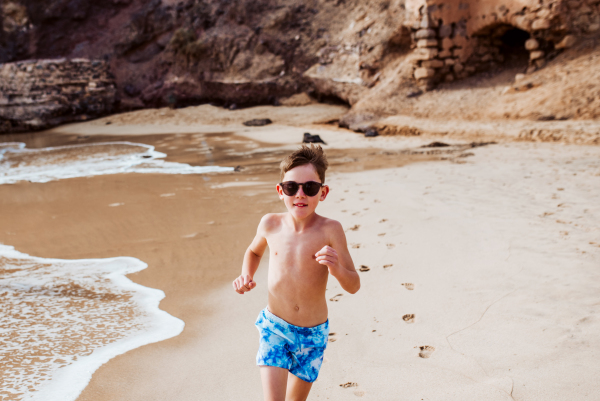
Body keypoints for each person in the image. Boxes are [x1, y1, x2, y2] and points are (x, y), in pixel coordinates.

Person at [232, 144, 360, 401]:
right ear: (281, 191)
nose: (300, 194)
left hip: (312, 335)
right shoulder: (270, 223)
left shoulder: (331, 230)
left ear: (322, 193)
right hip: (274, 327)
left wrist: (335, 268)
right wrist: (246, 275)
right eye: (292, 187)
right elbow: (253, 252)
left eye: (309, 187)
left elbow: (353, 284)